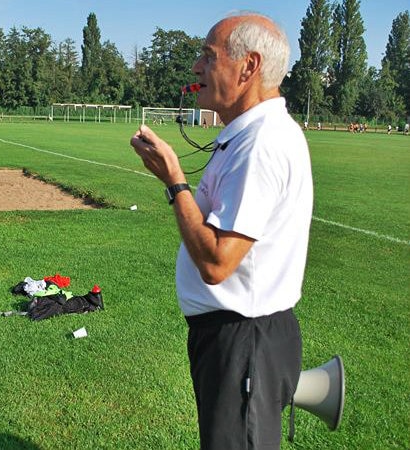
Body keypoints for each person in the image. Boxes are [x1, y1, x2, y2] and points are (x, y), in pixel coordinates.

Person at [130, 12, 313, 450]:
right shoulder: (251, 134)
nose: (196, 68)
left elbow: (217, 262)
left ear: (248, 67)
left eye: (207, 57)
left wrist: (175, 181)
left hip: (244, 341)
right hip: (239, 339)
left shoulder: (261, 145)